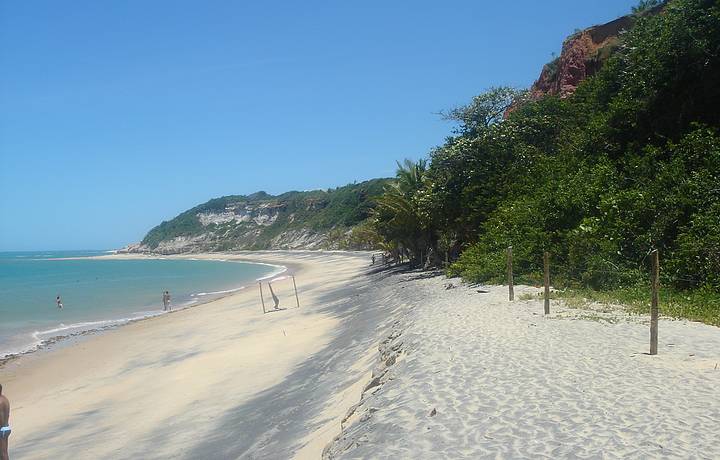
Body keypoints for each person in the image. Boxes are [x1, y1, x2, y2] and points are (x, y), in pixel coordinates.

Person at [0, 383, 10, 460]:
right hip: (6, 427)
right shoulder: (5, 399)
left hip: (1, 429)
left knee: (3, 454)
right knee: (4, 453)